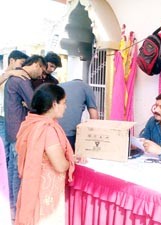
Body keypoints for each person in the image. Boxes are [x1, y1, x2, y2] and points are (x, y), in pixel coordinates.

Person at [15, 83, 75, 225]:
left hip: (34, 186)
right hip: (45, 192)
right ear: (54, 104)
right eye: (64, 103)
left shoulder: (31, 123)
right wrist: (70, 161)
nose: (65, 107)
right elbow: (60, 165)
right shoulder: (47, 129)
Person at [4, 55, 47, 221]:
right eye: (42, 70)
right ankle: (17, 210)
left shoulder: (14, 78)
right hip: (18, 132)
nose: (42, 75)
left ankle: (12, 207)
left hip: (11, 130)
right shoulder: (22, 79)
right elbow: (34, 103)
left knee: (12, 169)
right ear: (36, 64)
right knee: (17, 171)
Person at [0, 50, 29, 166]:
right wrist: (9, 74)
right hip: (2, 118)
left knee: (10, 153)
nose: (22, 67)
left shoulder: (19, 77)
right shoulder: (5, 74)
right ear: (12, 60)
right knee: (4, 151)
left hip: (11, 118)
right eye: (21, 63)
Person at [58, 79, 99, 151]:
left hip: (52, 130)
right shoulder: (86, 87)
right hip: (69, 133)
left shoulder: (60, 86)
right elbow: (93, 114)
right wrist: (94, 134)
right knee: (70, 157)